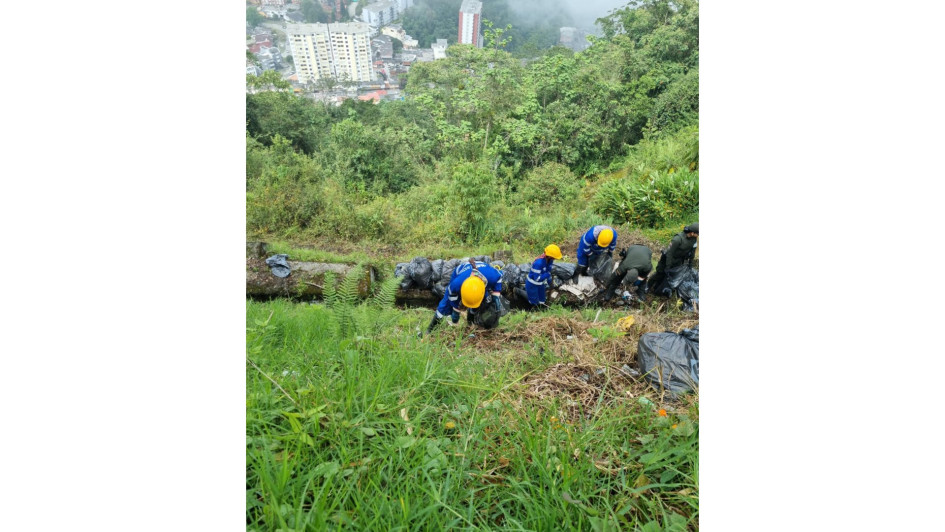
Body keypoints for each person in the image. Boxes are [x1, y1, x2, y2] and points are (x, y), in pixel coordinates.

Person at [423, 258, 504, 336]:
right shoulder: (456, 285)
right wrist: (456, 310)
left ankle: (471, 323)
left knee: (480, 304)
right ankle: (430, 329)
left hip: (483, 277)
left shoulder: (492, 276)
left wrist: (496, 295)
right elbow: (452, 296)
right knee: (445, 304)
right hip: (461, 273)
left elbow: (499, 277)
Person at [647, 222, 698, 296]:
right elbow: (669, 253)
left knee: (670, 276)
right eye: (698, 234)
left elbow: (692, 252)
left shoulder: (694, 240)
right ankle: (648, 286)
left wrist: (690, 263)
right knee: (660, 273)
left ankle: (658, 289)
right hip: (667, 259)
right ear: (692, 233)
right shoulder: (678, 239)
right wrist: (668, 266)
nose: (698, 236)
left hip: (678, 260)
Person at [523, 244, 562, 310]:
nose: (555, 259)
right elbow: (537, 278)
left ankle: (542, 308)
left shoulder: (550, 260)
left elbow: (548, 270)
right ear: (550, 256)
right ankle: (534, 311)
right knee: (534, 302)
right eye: (554, 257)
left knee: (542, 300)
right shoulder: (539, 263)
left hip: (540, 284)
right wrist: (547, 275)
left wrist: (549, 279)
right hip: (533, 285)